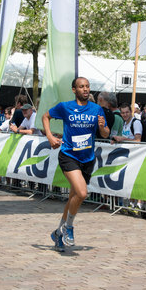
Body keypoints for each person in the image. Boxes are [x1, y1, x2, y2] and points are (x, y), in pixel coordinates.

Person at [42, 77, 109, 250]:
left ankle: (58, 233)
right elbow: (45, 116)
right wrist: (50, 136)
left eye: (87, 86)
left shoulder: (97, 109)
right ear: (74, 90)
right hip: (69, 155)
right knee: (82, 193)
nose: (85, 89)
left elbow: (105, 134)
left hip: (87, 158)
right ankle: (69, 227)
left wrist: (102, 127)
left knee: (74, 197)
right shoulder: (65, 107)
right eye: (81, 87)